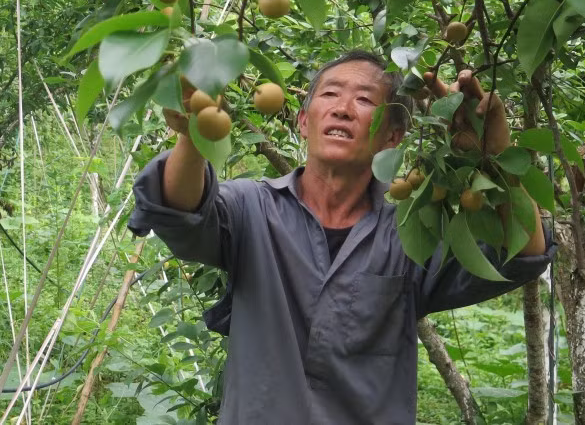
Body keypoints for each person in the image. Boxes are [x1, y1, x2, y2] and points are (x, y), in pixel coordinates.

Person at [128, 51, 556, 424]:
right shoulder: (251, 208)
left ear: (392, 137)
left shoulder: (413, 229)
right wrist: (194, 130)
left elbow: (522, 255)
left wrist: (494, 159)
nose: (343, 109)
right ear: (303, 121)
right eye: (330, 94)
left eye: (365, 100)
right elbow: (179, 213)